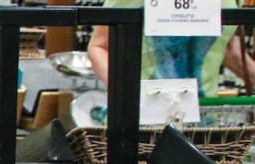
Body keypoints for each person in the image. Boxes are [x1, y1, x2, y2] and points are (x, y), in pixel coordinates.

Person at [88, 0, 253, 96]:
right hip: (144, 124)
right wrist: (129, 98)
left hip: (206, 122)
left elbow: (226, 48)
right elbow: (99, 47)